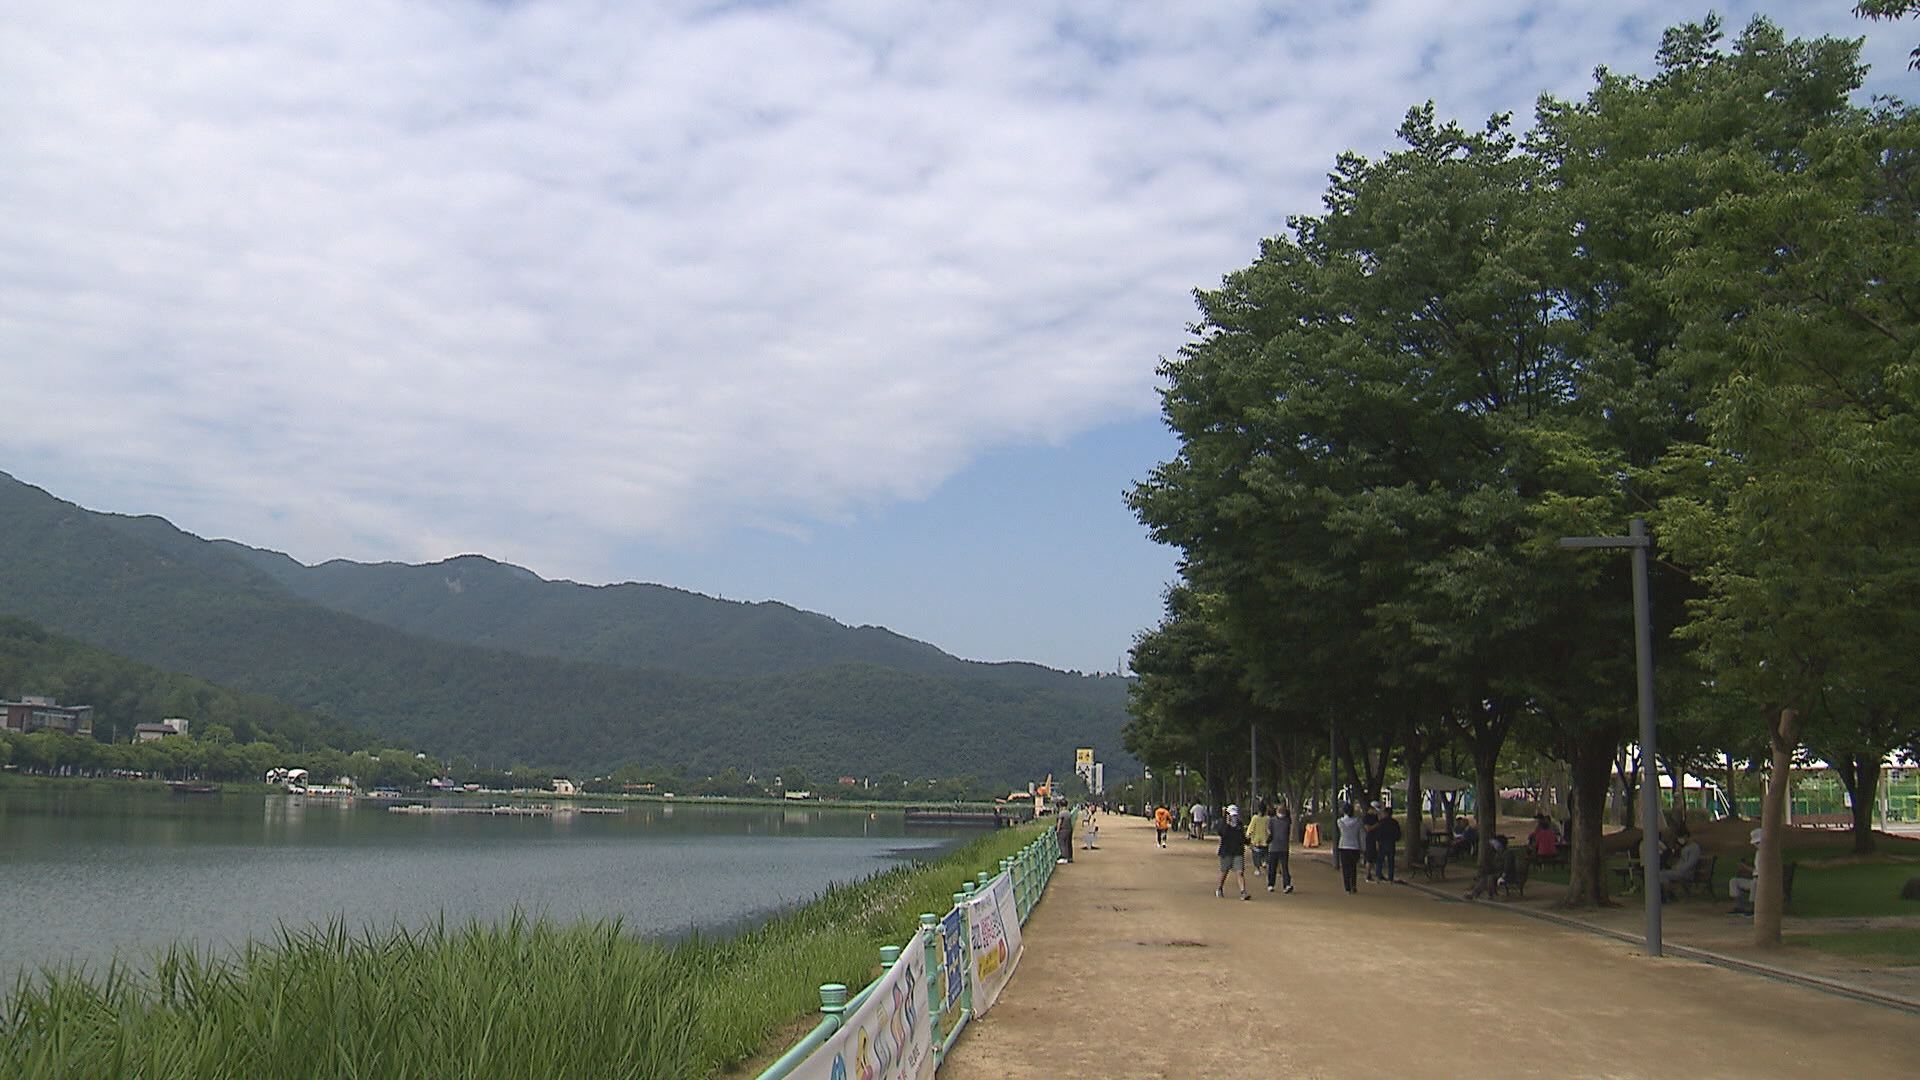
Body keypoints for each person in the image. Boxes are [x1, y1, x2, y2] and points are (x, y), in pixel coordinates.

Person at [1214, 804, 1252, 899]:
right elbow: (1222, 833)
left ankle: (1243, 892)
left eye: (1235, 815)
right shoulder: (1223, 824)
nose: (1234, 817)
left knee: (1240, 872)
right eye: (1232, 815)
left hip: (1238, 851)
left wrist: (1248, 841)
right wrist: (1227, 823)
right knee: (1225, 871)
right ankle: (1219, 888)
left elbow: (1242, 838)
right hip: (1226, 851)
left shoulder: (1239, 825)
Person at [1657, 830, 1701, 901]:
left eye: (1680, 837)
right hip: (1679, 871)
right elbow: (1681, 860)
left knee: (1662, 874)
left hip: (1687, 873)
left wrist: (1679, 869)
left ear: (1686, 836)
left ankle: (1669, 893)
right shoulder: (1685, 847)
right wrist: (1675, 867)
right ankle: (1668, 894)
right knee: (1660, 873)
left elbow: (1691, 863)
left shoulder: (1694, 847)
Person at [1729, 827, 1763, 914]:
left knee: (1755, 883)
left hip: (1763, 881)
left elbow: (1761, 871)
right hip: (1755, 878)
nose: (1757, 845)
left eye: (1758, 842)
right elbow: (1756, 869)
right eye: (1756, 843)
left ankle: (1752, 907)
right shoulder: (1758, 853)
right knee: (1734, 881)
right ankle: (1738, 906)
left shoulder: (1768, 853)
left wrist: (1745, 867)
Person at [1464, 833, 1508, 900]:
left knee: (1490, 877)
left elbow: (1507, 867)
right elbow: (1494, 866)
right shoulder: (1497, 853)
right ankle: (1474, 894)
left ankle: (1492, 894)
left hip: (1504, 875)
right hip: (1497, 873)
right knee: (1484, 878)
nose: (1494, 846)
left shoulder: (1507, 854)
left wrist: (1502, 876)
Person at [1335, 803, 1364, 894]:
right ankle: (1353, 885)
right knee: (1353, 867)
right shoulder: (1358, 822)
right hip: (1355, 846)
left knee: (1345, 868)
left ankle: (1347, 887)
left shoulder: (1340, 821)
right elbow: (1361, 835)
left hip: (1344, 846)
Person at [1267, 800, 1295, 893]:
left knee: (1280, 867)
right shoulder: (1275, 821)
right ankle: (1274, 884)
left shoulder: (1285, 821)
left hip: (1279, 847)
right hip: (1278, 847)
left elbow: (1270, 833)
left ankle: (1283, 884)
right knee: (1277, 867)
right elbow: (1270, 832)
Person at [1374, 807, 1402, 883]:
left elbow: (1378, 833)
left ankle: (1378, 876)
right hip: (1391, 843)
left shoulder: (1381, 822)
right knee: (1391, 861)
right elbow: (1398, 834)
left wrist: (1377, 841)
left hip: (1382, 843)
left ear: (1385, 813)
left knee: (1380, 860)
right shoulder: (1395, 823)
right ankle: (1390, 878)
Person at [1247, 801, 1271, 875]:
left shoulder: (1255, 818)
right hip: (1265, 840)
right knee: (1265, 853)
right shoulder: (1268, 818)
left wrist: (1248, 836)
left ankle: (1257, 869)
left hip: (1256, 840)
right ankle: (1264, 862)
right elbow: (1269, 829)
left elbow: (1250, 829)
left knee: (1256, 855)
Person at [1362, 802, 1382, 882]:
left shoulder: (1375, 817)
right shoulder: (1366, 817)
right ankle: (1367, 875)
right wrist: (1376, 825)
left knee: (1375, 857)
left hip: (1376, 838)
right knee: (1369, 858)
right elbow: (1367, 828)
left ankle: (1375, 874)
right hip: (1370, 839)